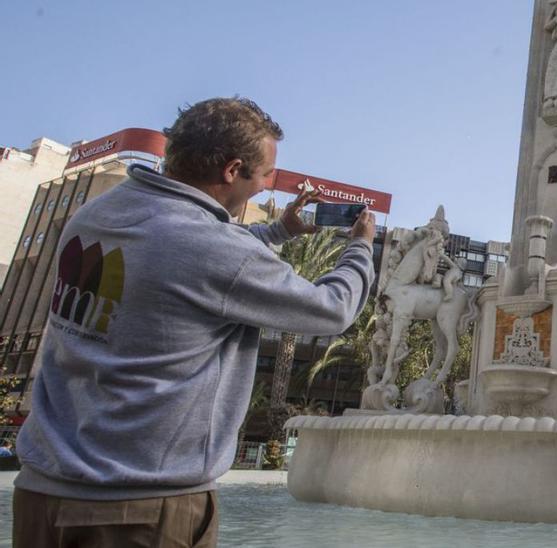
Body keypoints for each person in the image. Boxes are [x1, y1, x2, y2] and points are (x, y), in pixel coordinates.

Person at [12, 97, 375, 547]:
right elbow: (331, 308)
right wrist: (360, 247)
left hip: (41, 492)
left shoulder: (97, 215)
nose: (264, 187)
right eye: (264, 175)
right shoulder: (213, 250)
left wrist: (278, 231)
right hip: (138, 508)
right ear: (231, 170)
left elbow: (185, 249)